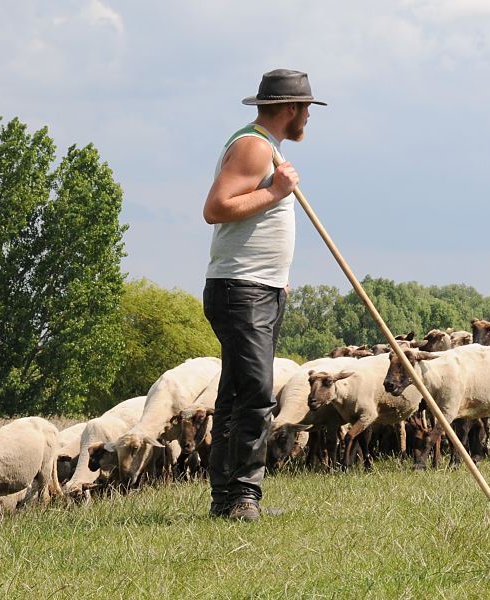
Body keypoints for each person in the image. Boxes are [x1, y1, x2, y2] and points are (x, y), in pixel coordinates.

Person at [202, 69, 326, 521]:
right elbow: (215, 209)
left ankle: (229, 500)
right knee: (254, 393)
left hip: (259, 286)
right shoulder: (254, 147)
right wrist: (276, 192)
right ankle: (243, 498)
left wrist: (277, 275)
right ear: (290, 108)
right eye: (307, 108)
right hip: (243, 288)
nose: (309, 117)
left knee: (238, 393)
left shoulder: (267, 149)